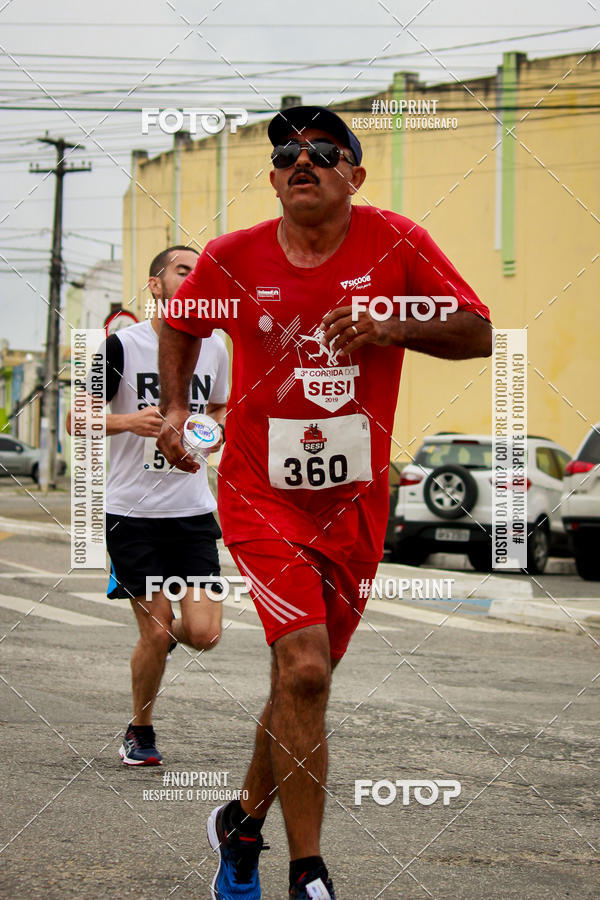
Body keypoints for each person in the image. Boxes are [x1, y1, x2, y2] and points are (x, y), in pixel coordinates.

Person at [157, 107, 492, 898]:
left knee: (303, 680)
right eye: (285, 152)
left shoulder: (397, 242)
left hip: (356, 502)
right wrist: (175, 410)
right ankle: (309, 873)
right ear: (273, 179)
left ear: (354, 175)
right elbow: (181, 324)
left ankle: (241, 825)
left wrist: (392, 320)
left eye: (321, 150)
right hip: (259, 491)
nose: (298, 159)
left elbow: (478, 330)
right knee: (303, 666)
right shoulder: (231, 258)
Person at [68, 245, 228, 766]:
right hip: (131, 512)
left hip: (191, 508)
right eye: (183, 270)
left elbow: (220, 409)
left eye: (200, 272)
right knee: (155, 631)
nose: (193, 277)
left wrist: (208, 435)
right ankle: (140, 729)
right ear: (155, 285)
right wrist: (128, 422)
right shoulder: (120, 347)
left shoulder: (217, 348)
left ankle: (161, 644)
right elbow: (77, 419)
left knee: (204, 633)